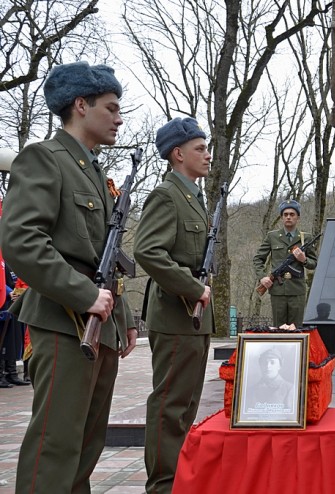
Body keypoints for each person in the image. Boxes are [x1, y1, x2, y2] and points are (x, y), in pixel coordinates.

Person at [0, 61, 137, 493]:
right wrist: (83, 295)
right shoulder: (45, 158)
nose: (119, 118)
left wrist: (124, 314)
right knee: (56, 448)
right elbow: (21, 241)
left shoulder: (94, 170)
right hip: (63, 322)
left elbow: (105, 255)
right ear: (81, 105)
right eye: (111, 107)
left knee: (85, 446)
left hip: (100, 323)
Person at [133, 117, 213, 494]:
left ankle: (178, 476)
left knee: (186, 403)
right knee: (169, 405)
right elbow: (147, 251)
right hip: (176, 314)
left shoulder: (193, 197)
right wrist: (191, 288)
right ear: (178, 154)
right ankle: (163, 485)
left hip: (194, 320)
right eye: (200, 148)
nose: (208, 155)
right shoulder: (167, 194)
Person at [253, 200, 317, 327]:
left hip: (297, 290)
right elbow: (258, 259)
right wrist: (262, 277)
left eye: (292, 214)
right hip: (277, 289)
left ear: (298, 217)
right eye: (285, 214)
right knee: (278, 329)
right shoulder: (272, 236)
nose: (288, 217)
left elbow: (314, 263)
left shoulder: (306, 238)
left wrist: (303, 259)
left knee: (296, 329)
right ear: (281, 217)